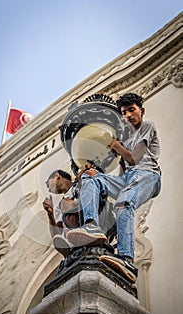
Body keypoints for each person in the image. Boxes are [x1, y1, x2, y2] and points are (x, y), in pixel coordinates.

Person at [66, 93, 161, 282]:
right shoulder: (124, 140)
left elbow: (134, 158)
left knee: (125, 203)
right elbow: (123, 175)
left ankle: (126, 260)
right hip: (129, 179)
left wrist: (116, 146)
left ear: (141, 111)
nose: (128, 116)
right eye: (124, 113)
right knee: (91, 178)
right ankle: (91, 226)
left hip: (148, 175)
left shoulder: (147, 126)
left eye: (131, 110)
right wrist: (97, 175)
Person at [42, 169, 79, 257]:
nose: (49, 190)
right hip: (74, 233)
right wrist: (50, 215)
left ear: (57, 176)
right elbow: (56, 235)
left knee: (66, 203)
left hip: (89, 219)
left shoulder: (81, 185)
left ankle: (73, 240)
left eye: (48, 185)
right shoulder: (59, 207)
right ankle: (71, 244)